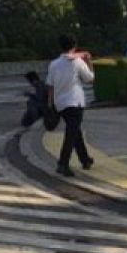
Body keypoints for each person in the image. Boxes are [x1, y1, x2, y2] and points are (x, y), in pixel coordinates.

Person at [46, 34, 96, 177]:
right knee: (71, 133)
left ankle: (85, 159)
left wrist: (51, 104)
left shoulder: (54, 64)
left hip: (60, 103)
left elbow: (50, 85)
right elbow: (90, 79)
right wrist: (89, 62)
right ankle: (63, 163)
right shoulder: (78, 62)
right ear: (74, 46)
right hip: (75, 102)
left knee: (75, 131)